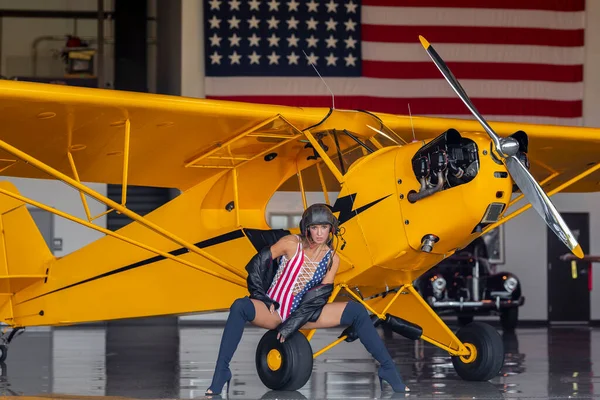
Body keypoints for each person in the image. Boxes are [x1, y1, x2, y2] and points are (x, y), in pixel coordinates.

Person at [205, 203, 410, 395]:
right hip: (274, 311)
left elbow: (319, 296)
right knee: (239, 306)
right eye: (315, 227)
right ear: (306, 228)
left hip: (306, 313)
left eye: (324, 227)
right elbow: (258, 264)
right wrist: (260, 296)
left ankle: (388, 370)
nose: (320, 233)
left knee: (357, 311)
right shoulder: (290, 244)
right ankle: (221, 372)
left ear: (332, 229)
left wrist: (292, 324)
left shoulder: (332, 259)